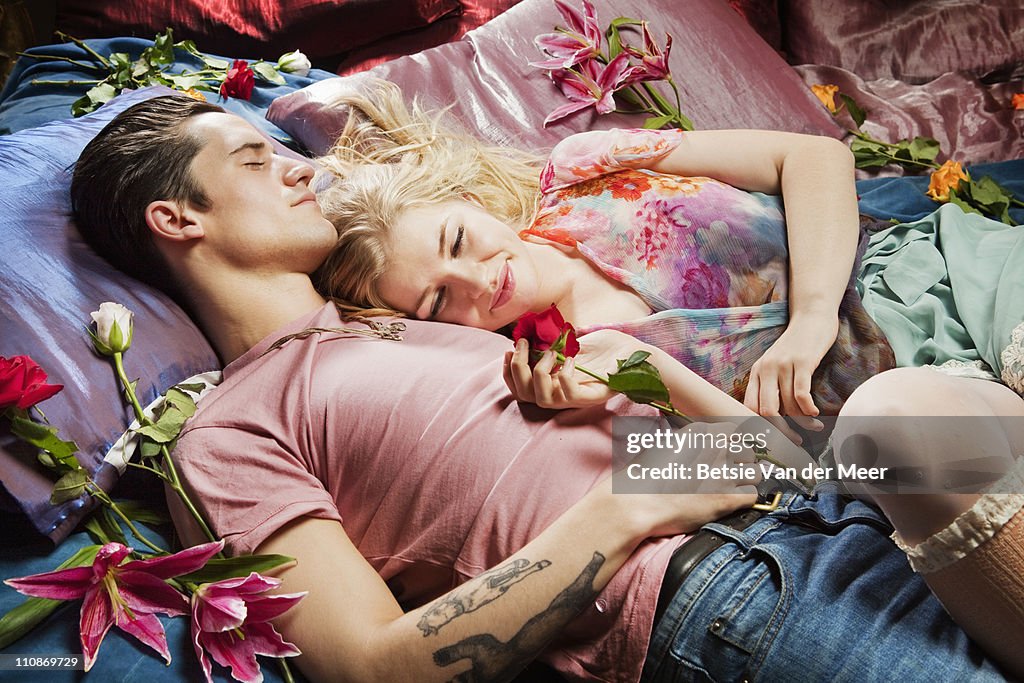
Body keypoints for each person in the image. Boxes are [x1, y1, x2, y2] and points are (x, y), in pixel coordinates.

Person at [69, 93, 1024, 682]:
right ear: (176, 218)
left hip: (821, 515)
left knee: (912, 418)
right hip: (719, 596)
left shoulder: (417, 325)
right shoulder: (227, 430)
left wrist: (653, 383)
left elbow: (763, 460)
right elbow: (366, 667)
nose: (295, 170)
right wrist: (622, 508)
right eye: (253, 159)